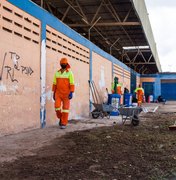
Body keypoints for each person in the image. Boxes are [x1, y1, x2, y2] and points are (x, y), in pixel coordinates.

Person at [52, 57, 75, 129]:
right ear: (60, 64)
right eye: (62, 64)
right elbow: (54, 84)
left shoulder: (70, 73)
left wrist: (71, 92)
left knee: (65, 109)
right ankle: (61, 118)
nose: (63, 64)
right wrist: (54, 92)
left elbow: (72, 83)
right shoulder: (57, 73)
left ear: (66, 64)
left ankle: (63, 123)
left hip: (66, 94)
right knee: (57, 107)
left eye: (65, 64)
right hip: (58, 93)